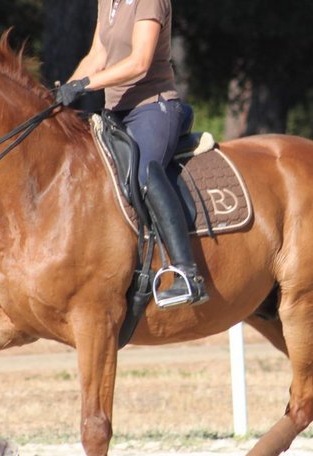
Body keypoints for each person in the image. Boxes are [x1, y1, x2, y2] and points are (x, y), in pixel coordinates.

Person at [54, 0, 207, 309]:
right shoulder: (106, 2)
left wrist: (84, 85)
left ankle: (187, 274)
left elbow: (140, 62)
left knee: (144, 174)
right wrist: (61, 93)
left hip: (153, 107)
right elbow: (97, 55)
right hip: (115, 113)